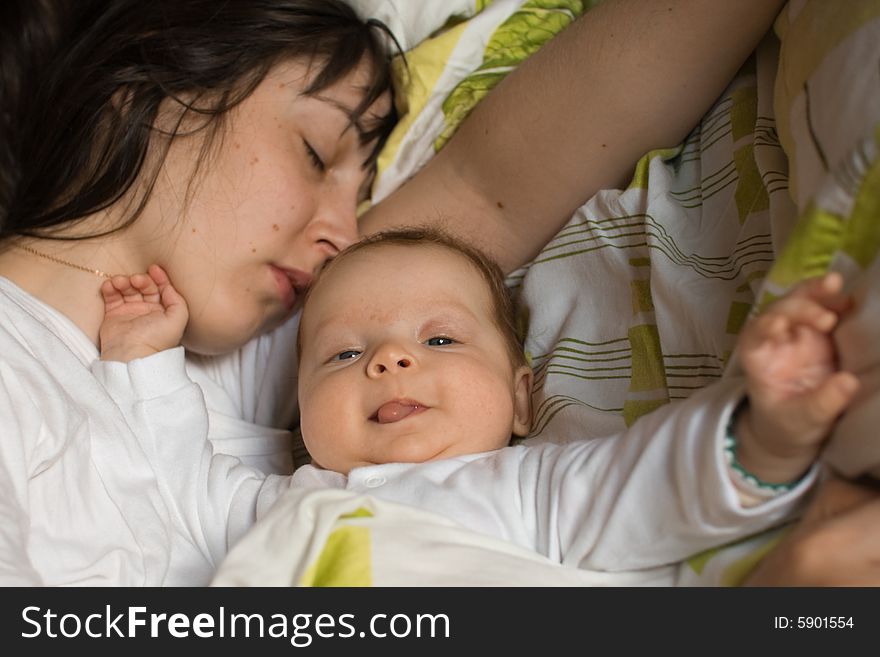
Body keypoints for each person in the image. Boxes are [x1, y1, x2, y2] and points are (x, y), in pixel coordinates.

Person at [0, 0, 877, 586]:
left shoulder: (324, 323)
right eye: (316, 153)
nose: (344, 229)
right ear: (137, 93)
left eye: (359, 185)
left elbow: (489, 186)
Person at [95, 228, 857, 577]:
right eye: (345, 353)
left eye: (441, 341)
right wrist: (144, 360)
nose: (392, 358)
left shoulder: (527, 491)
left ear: (523, 400)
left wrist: (769, 431)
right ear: (298, 418)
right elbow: (176, 479)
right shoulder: (274, 503)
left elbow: (652, 485)